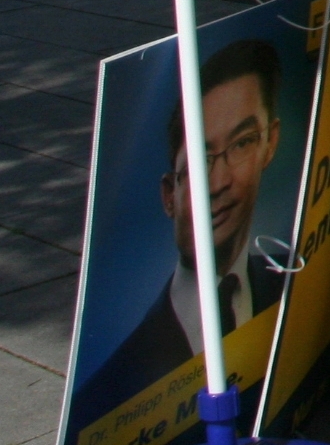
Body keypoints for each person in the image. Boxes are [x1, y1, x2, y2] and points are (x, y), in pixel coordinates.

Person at [75, 41, 284, 420]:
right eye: (201, 161)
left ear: (271, 144)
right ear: (170, 194)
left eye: (241, 144)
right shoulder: (110, 393)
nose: (219, 182)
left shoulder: (294, 284)